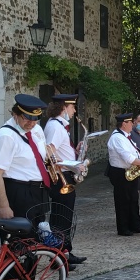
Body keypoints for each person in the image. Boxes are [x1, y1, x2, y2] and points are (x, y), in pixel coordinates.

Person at [0, 94, 55, 280]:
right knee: (15, 248)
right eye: (27, 118)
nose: (32, 122)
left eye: (36, 118)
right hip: (17, 192)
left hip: (36, 192)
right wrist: (4, 206)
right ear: (15, 114)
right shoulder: (5, 136)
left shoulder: (34, 130)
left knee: (33, 246)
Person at [43, 94, 87, 266]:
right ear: (64, 107)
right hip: (61, 177)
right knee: (61, 218)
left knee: (65, 217)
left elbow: (59, 151)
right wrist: (74, 164)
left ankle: (65, 251)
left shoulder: (60, 126)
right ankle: (58, 256)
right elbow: (49, 153)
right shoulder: (55, 126)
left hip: (66, 175)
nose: (74, 110)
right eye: (72, 107)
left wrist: (76, 151)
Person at [106, 113, 140, 236]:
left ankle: (135, 225)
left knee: (133, 199)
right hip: (120, 172)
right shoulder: (117, 138)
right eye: (130, 122)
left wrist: (139, 160)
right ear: (123, 124)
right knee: (123, 201)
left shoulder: (126, 136)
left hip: (130, 171)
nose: (132, 124)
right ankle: (123, 228)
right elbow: (126, 156)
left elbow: (134, 151)